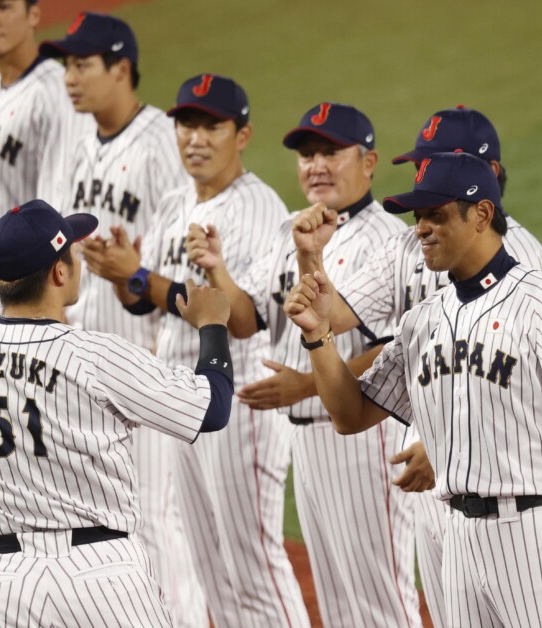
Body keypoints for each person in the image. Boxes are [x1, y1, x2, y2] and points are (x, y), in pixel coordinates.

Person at [285, 152, 542, 627]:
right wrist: (319, 336)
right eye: (417, 216)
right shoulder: (422, 319)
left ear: (481, 214)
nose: (420, 228)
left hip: (536, 535)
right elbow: (350, 414)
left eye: (436, 215)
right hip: (457, 538)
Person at [0, 198, 235, 627]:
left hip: (5, 584)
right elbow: (212, 408)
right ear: (59, 272)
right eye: (71, 252)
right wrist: (212, 326)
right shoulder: (95, 355)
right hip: (100, 578)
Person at [186, 102, 422, 627]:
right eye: (306, 155)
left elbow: (400, 348)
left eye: (330, 153)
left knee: (377, 598)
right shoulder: (290, 229)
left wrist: (305, 386)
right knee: (339, 604)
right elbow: (246, 319)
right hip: (310, 440)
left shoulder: (388, 239)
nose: (315, 165)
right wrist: (217, 270)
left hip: (368, 439)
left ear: (368, 162)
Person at [87, 74, 309, 627]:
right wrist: (123, 276)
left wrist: (138, 275)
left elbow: (238, 317)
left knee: (251, 561)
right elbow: (149, 303)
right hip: (181, 397)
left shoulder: (256, 208)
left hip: (240, 401)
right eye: (187, 123)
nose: (196, 137)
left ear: (242, 134)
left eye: (213, 125)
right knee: (211, 565)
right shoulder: (172, 203)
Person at [37, 13, 203, 626]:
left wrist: (138, 275)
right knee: (111, 523)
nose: (69, 78)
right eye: (65, 65)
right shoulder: (77, 142)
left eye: (82, 65)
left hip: (150, 358)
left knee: (156, 520)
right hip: (88, 364)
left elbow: (191, 253)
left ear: (121, 69)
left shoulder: (164, 141)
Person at [0, 0, 92, 329]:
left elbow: (62, 204)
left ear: (34, 14)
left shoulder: (56, 92)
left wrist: (58, 306)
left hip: (35, 291)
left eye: (2, 7)